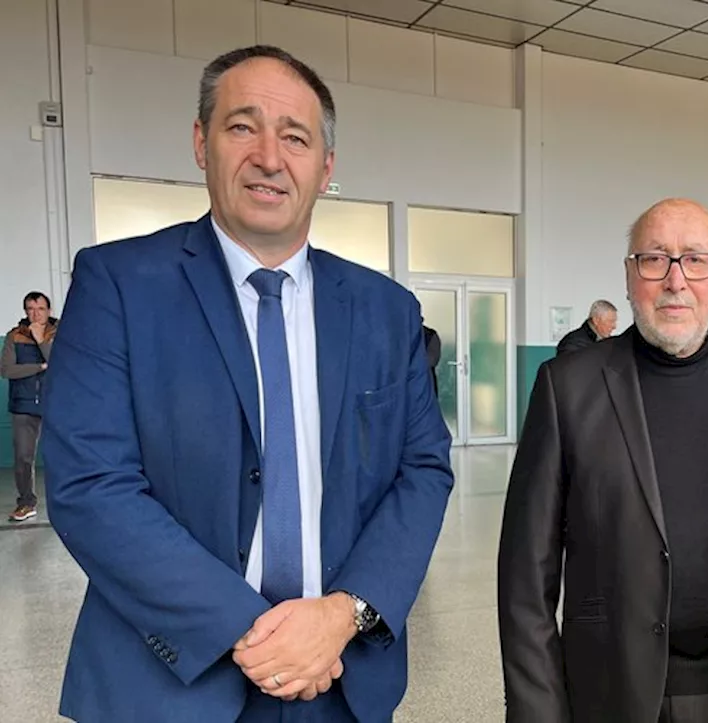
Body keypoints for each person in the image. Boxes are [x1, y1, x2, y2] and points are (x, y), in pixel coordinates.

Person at [41, 45, 455, 722]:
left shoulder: (386, 311)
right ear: (201, 143)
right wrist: (256, 632)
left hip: (341, 679)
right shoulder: (119, 284)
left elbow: (423, 469)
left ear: (326, 168)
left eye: (295, 137)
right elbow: (91, 483)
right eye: (242, 126)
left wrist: (342, 614)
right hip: (169, 682)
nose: (269, 156)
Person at [498, 198, 708, 723]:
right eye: (655, 259)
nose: (677, 281)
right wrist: (539, 711)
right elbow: (525, 573)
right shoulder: (568, 387)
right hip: (611, 689)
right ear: (630, 277)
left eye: (697, 260)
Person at [1, 291, 57, 522]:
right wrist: (40, 367)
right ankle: (26, 503)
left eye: (40, 309)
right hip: (23, 405)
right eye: (30, 309)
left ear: (49, 311)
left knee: (67, 456)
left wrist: (41, 339)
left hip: (56, 403)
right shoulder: (15, 336)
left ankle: (76, 503)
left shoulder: (60, 332)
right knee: (24, 457)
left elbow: (61, 362)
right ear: (25, 311)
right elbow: (6, 370)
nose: (35, 314)